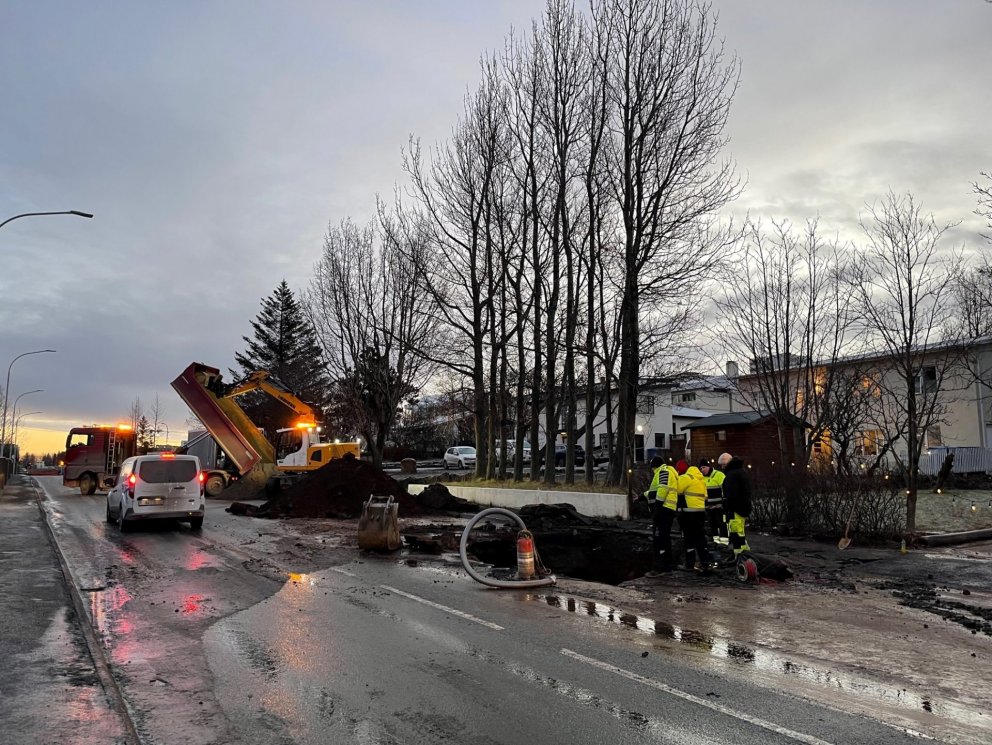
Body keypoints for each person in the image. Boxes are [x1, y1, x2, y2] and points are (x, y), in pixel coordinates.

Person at [675, 459, 713, 571]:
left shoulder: (685, 478)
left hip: (688, 514)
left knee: (689, 539)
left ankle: (689, 564)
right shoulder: (700, 479)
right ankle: (705, 563)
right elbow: (705, 496)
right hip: (700, 513)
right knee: (700, 538)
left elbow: (675, 489)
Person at [644, 456, 679, 576]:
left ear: (654, 466)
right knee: (665, 537)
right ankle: (667, 566)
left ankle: (660, 567)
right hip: (668, 509)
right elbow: (654, 491)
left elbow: (662, 490)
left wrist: (657, 507)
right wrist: (642, 496)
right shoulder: (669, 472)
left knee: (659, 539)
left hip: (663, 510)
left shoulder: (663, 472)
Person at [717, 452, 752, 558]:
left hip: (736, 508)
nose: (722, 467)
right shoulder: (741, 472)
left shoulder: (731, 475)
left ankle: (739, 556)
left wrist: (727, 505)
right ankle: (746, 554)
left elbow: (731, 494)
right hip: (743, 507)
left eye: (723, 464)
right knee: (741, 532)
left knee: (736, 533)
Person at [698, 458, 728, 545]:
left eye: (703, 467)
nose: (702, 470)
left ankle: (724, 543)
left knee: (722, 524)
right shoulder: (701, 478)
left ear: (708, 466)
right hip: (708, 508)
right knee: (712, 526)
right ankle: (716, 542)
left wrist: (723, 502)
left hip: (719, 507)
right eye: (700, 468)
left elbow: (725, 489)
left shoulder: (719, 475)